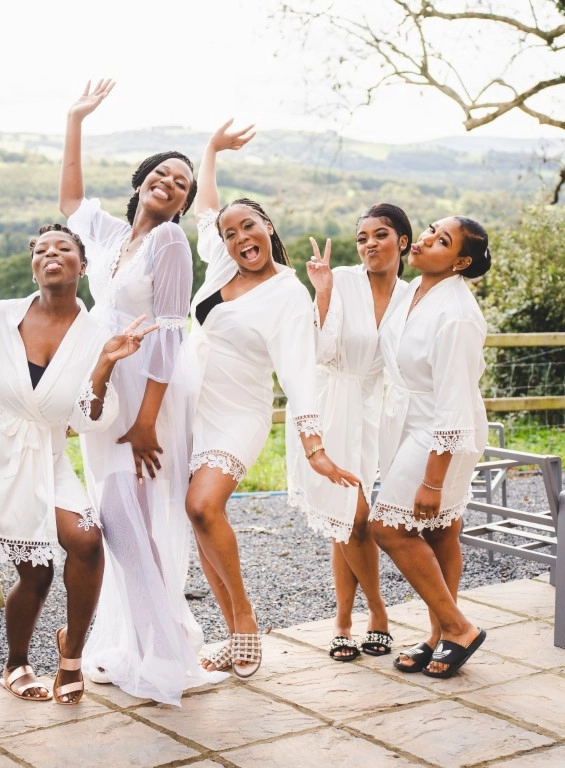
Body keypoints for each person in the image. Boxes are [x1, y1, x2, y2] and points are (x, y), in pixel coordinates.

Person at [58, 80, 225, 704]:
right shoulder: (108, 237)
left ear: (183, 202)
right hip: (107, 385)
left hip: (148, 394)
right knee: (121, 518)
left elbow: (171, 332)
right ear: (141, 179)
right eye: (163, 172)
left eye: (182, 182)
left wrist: (148, 421)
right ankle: (145, 643)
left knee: (130, 518)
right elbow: (70, 198)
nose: (171, 183)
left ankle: (166, 653)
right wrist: (75, 119)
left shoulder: (169, 242)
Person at [188, 123, 359, 678]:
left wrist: (314, 448)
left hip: (240, 413)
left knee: (203, 506)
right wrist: (211, 150)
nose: (240, 237)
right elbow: (206, 208)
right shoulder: (221, 267)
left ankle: (245, 619)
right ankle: (231, 632)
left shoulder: (286, 292)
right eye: (230, 232)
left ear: (268, 227)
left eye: (249, 226)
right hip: (192, 409)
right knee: (198, 522)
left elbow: (300, 372)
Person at [0, 223, 158, 705]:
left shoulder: (97, 336)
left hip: (46, 455)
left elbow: (87, 419)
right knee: (37, 572)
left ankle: (71, 654)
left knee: (86, 540)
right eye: (41, 250)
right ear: (34, 267)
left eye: (63, 248)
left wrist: (105, 365)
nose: (51, 254)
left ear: (82, 266)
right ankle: (16, 663)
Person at [369, 215, 492, 679]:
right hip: (408, 421)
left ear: (459, 263)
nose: (425, 240)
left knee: (388, 528)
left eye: (442, 241)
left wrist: (433, 481)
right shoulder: (414, 292)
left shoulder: (457, 315)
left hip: (442, 431)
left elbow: (453, 404)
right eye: (429, 230)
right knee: (440, 532)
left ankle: (459, 627)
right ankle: (440, 634)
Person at [294, 204, 413, 662]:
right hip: (332, 405)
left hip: (376, 410)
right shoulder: (340, 280)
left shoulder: (412, 295)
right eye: (362, 237)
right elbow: (319, 351)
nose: (369, 244)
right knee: (356, 516)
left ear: (402, 241)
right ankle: (377, 613)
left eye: (380, 234)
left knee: (345, 522)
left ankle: (343, 621)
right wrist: (322, 293)